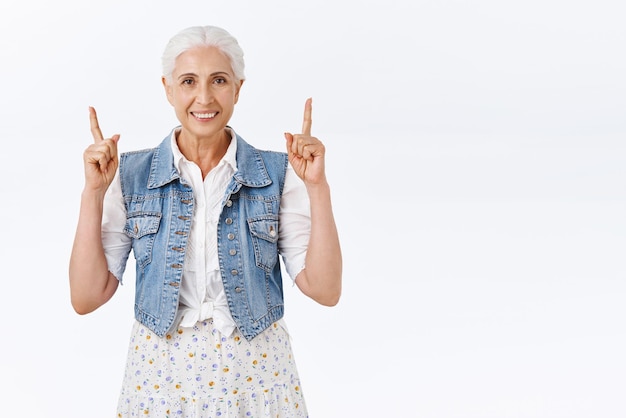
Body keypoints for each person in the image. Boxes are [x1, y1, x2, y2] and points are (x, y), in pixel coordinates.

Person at [69, 25, 342, 417]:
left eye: (218, 80)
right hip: (159, 385)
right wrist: (93, 193)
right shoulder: (128, 176)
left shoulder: (277, 175)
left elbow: (325, 290)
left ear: (237, 89)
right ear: (167, 89)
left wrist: (318, 186)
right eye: (188, 81)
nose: (203, 97)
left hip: (256, 380)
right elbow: (86, 297)